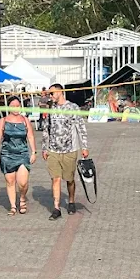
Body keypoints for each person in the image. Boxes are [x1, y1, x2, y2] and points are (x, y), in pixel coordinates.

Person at [43, 83, 89, 219]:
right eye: (49, 94)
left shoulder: (72, 107)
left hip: (70, 149)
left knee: (69, 179)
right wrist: (44, 148)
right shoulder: (50, 108)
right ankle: (56, 208)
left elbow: (81, 128)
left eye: (52, 93)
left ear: (60, 92)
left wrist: (84, 146)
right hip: (53, 150)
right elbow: (46, 129)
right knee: (55, 179)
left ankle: (71, 201)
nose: (50, 96)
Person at [0, 97, 36, 215]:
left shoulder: (25, 120)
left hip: (22, 154)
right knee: (10, 181)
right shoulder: (3, 121)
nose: (16, 108)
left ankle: (22, 198)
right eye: (13, 105)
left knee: (23, 183)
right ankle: (13, 206)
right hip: (7, 154)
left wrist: (33, 152)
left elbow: (31, 137)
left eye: (18, 105)